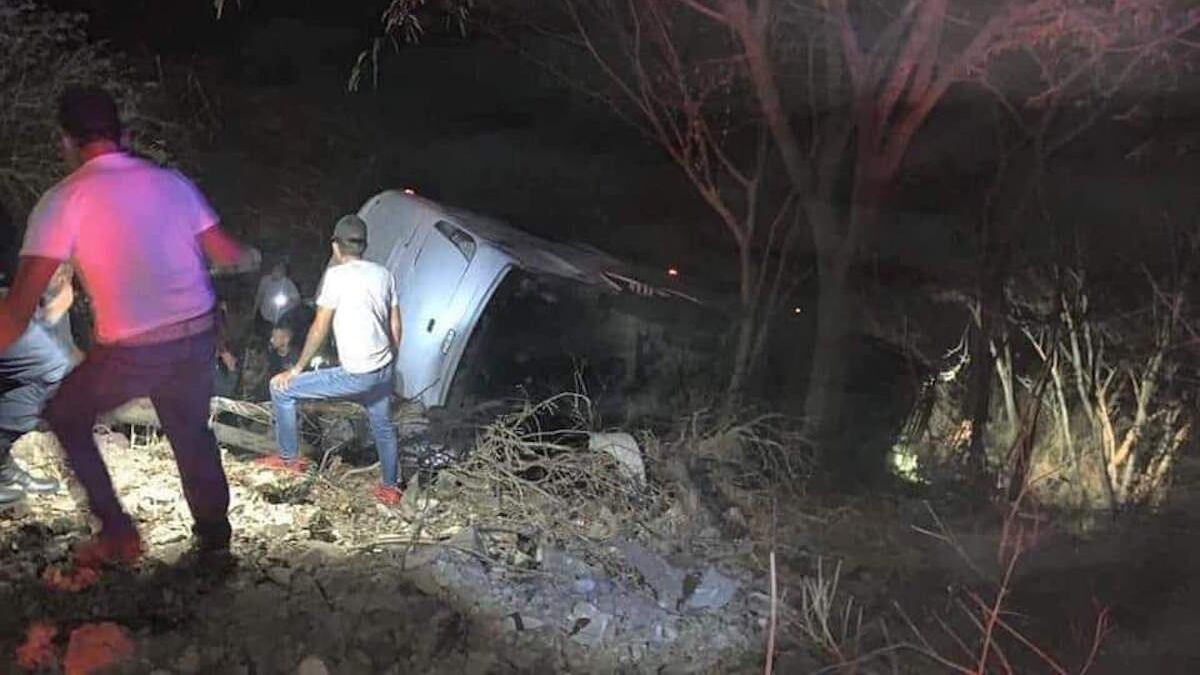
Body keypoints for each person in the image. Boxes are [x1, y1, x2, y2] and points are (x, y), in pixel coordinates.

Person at [0, 86, 257, 566]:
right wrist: (248, 258)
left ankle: (117, 531)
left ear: (66, 142)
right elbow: (227, 253)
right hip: (195, 334)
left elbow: (15, 313)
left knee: (66, 413)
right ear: (124, 134)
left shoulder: (63, 200)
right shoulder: (172, 182)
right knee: (190, 433)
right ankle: (215, 542)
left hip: (134, 352)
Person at [264, 214, 403, 505]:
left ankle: (289, 459)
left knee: (281, 390)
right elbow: (396, 327)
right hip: (382, 369)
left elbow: (319, 327)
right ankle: (390, 488)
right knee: (382, 425)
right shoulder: (383, 274)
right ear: (363, 246)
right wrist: (390, 362)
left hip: (356, 373)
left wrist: (296, 369)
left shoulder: (336, 276)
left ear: (336, 247)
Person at [252, 260, 300, 336]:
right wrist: (254, 311)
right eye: (275, 269)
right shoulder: (265, 280)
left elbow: (297, 300)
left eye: (280, 270)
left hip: (279, 318)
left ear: (284, 273)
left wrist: (287, 304)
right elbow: (259, 295)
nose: (276, 271)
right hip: (264, 314)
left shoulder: (288, 284)